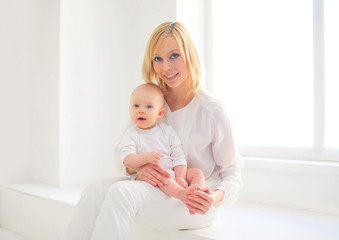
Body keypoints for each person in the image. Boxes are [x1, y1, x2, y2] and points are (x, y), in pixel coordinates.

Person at [62, 22, 243, 240]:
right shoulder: (151, 102)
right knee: (94, 189)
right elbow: (122, 155)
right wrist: (139, 167)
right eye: (158, 59)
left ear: (189, 54)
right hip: (157, 190)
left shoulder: (212, 110)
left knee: (121, 193)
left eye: (174, 55)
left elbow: (233, 175)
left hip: (192, 202)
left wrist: (213, 197)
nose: (166, 67)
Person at [120, 83, 206, 207]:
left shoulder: (167, 131)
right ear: (130, 110)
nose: (141, 110)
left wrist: (180, 177)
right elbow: (127, 160)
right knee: (163, 177)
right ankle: (182, 194)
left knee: (197, 173)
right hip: (151, 176)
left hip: (173, 172)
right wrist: (146, 158)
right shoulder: (131, 134)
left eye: (149, 106)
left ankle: (198, 193)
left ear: (160, 113)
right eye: (136, 105)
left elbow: (178, 154)